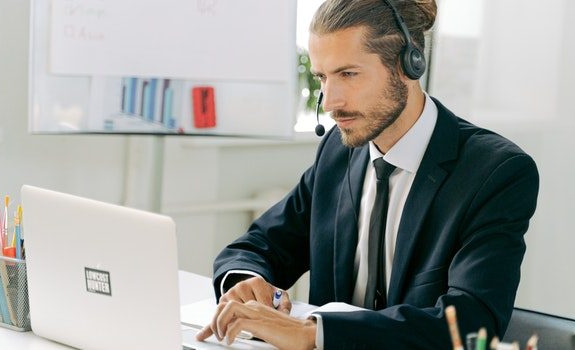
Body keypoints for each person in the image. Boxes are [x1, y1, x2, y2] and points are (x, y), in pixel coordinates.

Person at [197, 0, 540, 348]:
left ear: (409, 64)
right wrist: (247, 282)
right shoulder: (339, 151)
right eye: (322, 77)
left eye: (348, 74)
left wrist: (311, 334)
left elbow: (470, 325)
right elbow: (260, 245)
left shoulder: (495, 173)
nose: (329, 101)